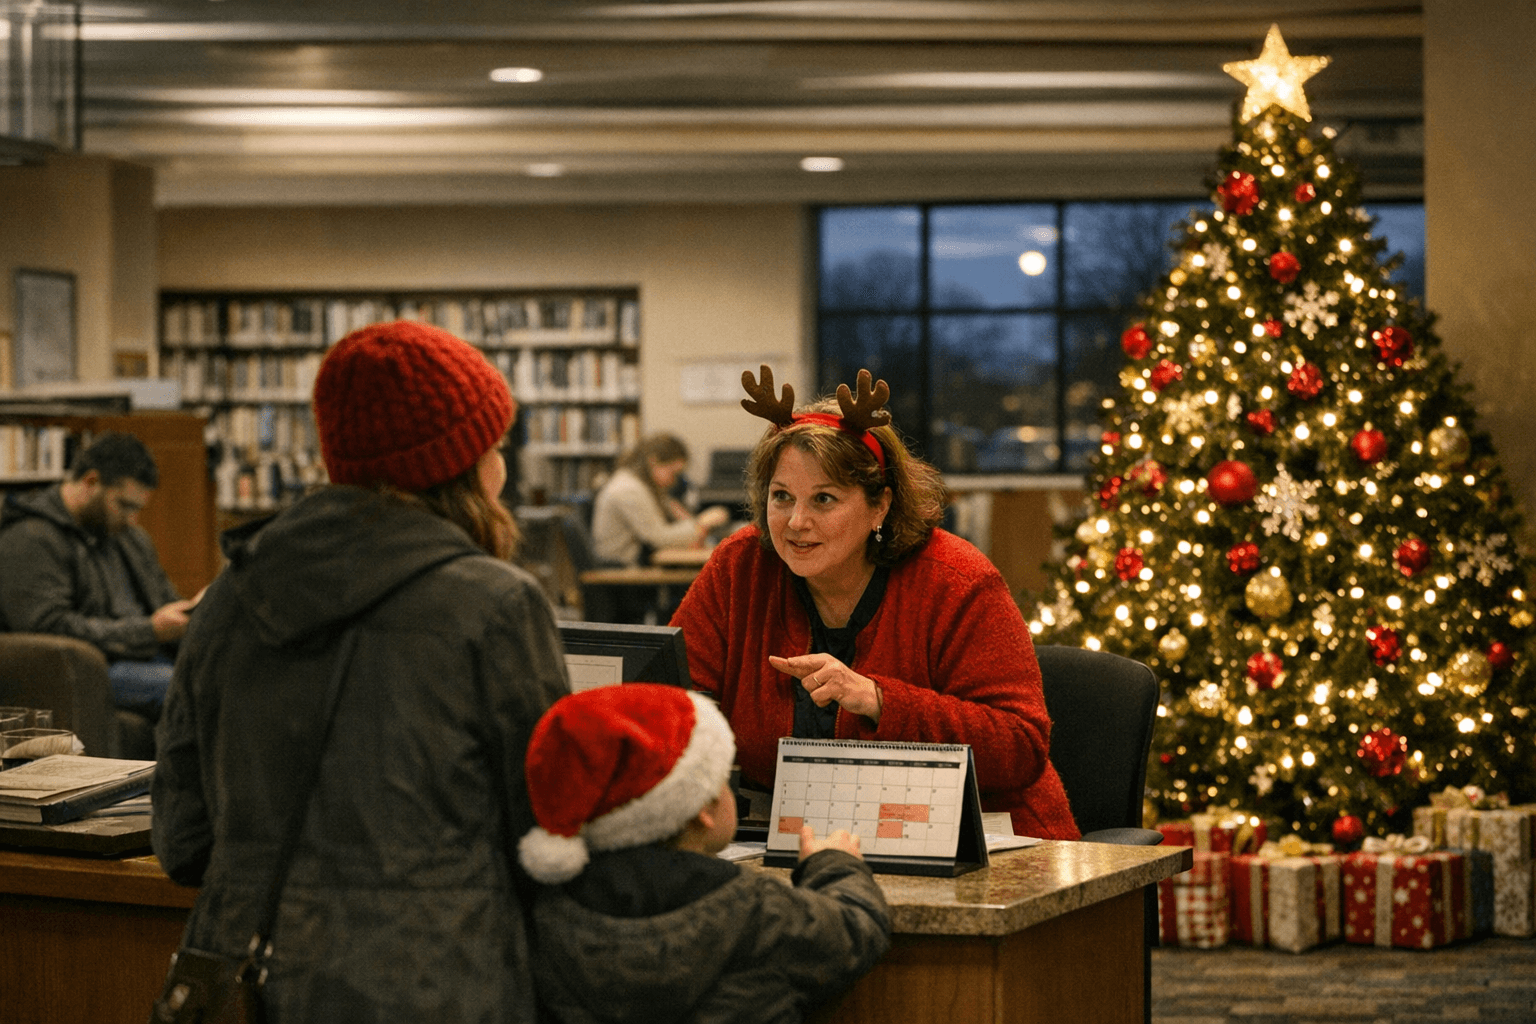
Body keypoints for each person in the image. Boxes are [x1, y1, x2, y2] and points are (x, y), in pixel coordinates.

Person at [152, 321, 571, 1023]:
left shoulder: (230, 593)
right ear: (463, 462)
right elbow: (548, 838)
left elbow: (183, 840)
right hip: (440, 984)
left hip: (251, 981)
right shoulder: (495, 605)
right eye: (494, 444)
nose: (503, 464)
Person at [671, 366, 1080, 841]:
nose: (796, 521)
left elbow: (1020, 743)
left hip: (978, 839)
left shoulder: (956, 580)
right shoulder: (740, 567)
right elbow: (675, 695)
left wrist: (878, 700)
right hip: (792, 839)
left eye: (824, 499)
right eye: (781, 497)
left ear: (880, 506)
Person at [519, 682, 891, 1024]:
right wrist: (831, 862)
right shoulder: (755, 909)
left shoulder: (544, 912)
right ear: (703, 808)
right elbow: (855, 930)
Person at [0, 431, 194, 720]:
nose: (132, 520)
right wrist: (150, 630)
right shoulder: (31, 538)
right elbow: (48, 629)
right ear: (91, 482)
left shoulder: (127, 537)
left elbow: (164, 597)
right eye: (125, 505)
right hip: (91, 668)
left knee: (228, 674)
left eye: (137, 509)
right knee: (186, 688)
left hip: (142, 654)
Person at [591, 433, 731, 566]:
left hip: (633, 562)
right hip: (624, 570)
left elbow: (673, 523)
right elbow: (658, 538)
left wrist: (678, 512)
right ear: (654, 461)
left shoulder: (641, 485)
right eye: (673, 473)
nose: (673, 481)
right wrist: (701, 523)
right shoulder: (630, 490)